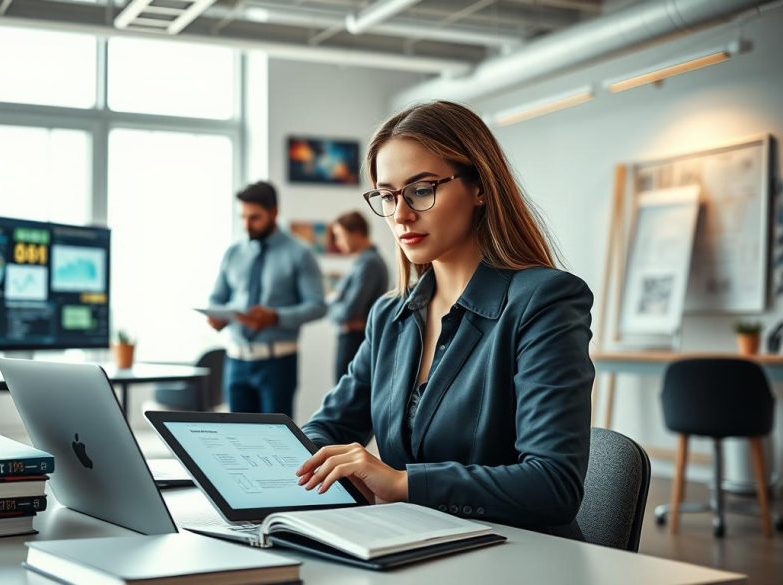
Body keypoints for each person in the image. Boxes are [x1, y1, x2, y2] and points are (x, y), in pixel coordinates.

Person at [296, 101, 595, 540]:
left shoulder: (544, 300)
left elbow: (553, 484)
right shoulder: (390, 315)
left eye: (421, 190)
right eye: (388, 195)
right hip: (410, 546)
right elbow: (326, 427)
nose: (400, 215)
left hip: (517, 559)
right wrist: (311, 459)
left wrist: (402, 484)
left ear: (479, 188)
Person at [208, 181, 327, 417]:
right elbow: (217, 298)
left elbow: (318, 306)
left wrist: (276, 317)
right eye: (243, 217)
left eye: (254, 217)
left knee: (277, 441)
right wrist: (216, 315)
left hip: (277, 363)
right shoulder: (233, 253)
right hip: (236, 361)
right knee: (236, 439)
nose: (246, 225)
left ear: (274, 212)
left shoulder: (299, 253)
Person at [327, 211, 389, 383]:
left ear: (356, 233)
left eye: (340, 236)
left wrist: (333, 303)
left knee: (346, 392)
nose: (338, 243)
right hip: (354, 337)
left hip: (356, 339)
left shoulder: (369, 262)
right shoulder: (363, 261)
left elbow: (348, 310)